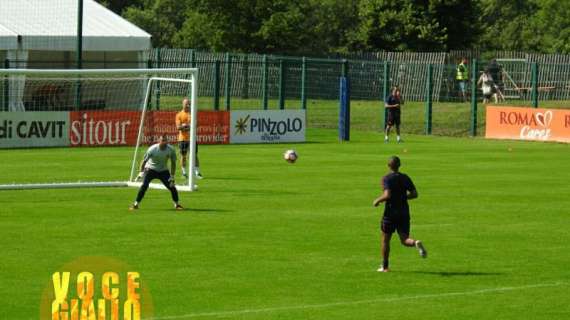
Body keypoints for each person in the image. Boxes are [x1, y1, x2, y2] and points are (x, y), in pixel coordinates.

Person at [373, 156, 427, 272]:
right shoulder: (405, 177)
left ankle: (385, 267)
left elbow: (387, 195)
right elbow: (414, 194)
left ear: (388, 166)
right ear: (399, 165)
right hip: (404, 212)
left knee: (385, 239)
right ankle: (415, 242)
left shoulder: (386, 179)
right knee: (404, 239)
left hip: (390, 213)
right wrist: (402, 197)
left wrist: (378, 200)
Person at [130, 135, 183, 211]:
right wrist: (141, 172)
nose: (164, 142)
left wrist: (172, 176)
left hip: (163, 170)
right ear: (159, 141)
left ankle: (177, 204)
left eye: (166, 141)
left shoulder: (170, 149)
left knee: (172, 187)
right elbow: (144, 161)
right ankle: (135, 204)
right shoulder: (152, 149)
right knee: (144, 185)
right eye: (163, 141)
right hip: (150, 169)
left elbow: (173, 163)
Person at [176, 98, 202, 179]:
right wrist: (187, 127)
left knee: (194, 155)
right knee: (183, 156)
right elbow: (178, 127)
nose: (188, 105)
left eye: (189, 104)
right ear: (182, 104)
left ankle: (197, 173)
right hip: (182, 139)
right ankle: (184, 173)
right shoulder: (179, 115)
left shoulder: (192, 114)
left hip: (192, 138)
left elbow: (195, 126)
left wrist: (186, 126)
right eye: (186, 103)